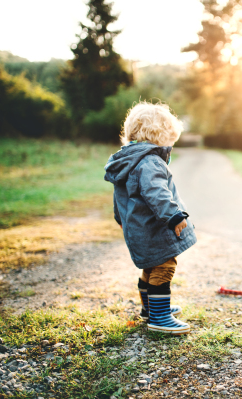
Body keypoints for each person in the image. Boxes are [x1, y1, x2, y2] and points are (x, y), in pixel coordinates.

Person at [104, 102, 197, 335]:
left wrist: (121, 219)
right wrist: (174, 216)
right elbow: (157, 192)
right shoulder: (149, 161)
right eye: (170, 139)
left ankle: (150, 308)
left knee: (150, 266)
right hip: (155, 228)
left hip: (138, 228)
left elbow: (120, 197)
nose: (170, 145)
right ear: (158, 135)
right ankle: (160, 317)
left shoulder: (127, 160)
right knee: (165, 265)